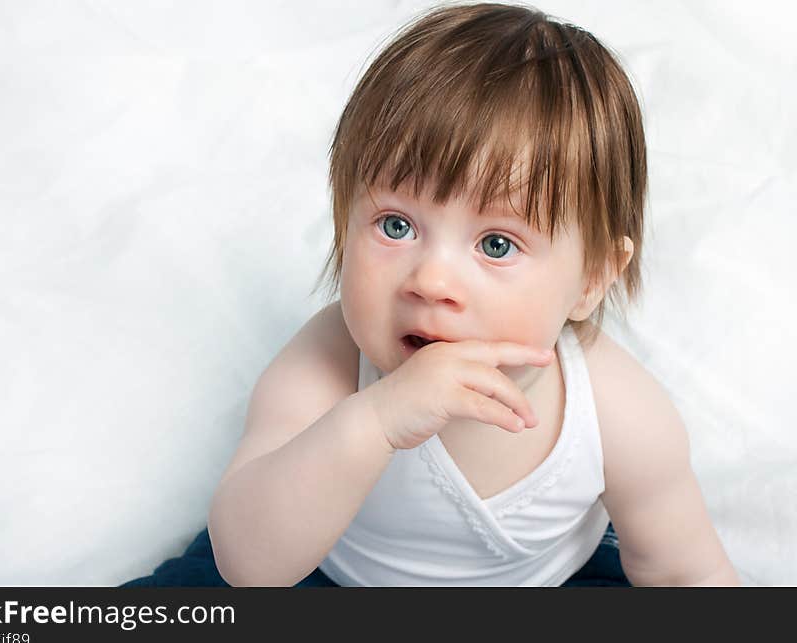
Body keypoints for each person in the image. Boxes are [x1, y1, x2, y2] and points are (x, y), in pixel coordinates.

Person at [124, 2, 740, 587]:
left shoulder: (614, 408)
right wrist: (374, 421)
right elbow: (250, 565)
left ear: (593, 279)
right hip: (327, 576)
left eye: (497, 244)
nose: (431, 281)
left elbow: (686, 572)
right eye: (397, 226)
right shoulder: (327, 365)